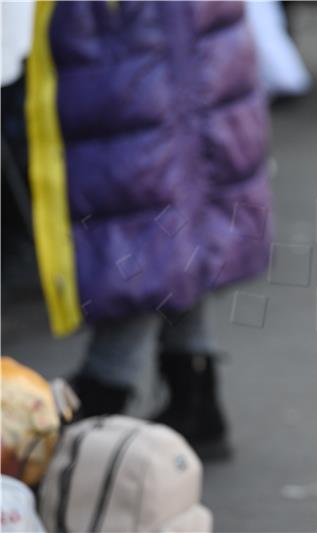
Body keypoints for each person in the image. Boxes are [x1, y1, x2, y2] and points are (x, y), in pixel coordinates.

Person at [25, 1, 273, 460]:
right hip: (174, 41)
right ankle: (192, 389)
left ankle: (105, 394)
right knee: (172, 209)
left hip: (140, 41)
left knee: (146, 203)